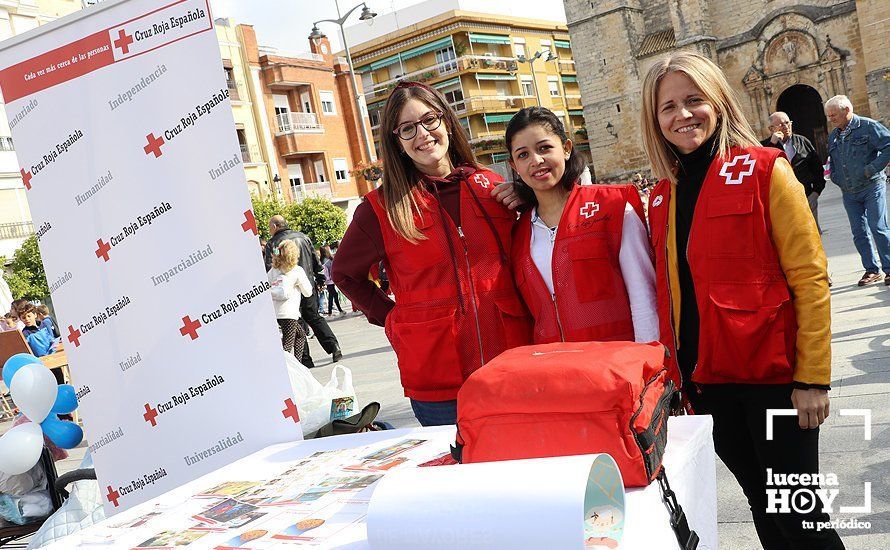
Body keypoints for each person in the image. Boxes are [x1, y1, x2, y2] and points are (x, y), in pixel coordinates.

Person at [640, 52, 843, 549]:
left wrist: (813, 378)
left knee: (800, 518)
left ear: (719, 102)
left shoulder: (766, 171)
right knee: (761, 506)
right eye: (668, 107)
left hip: (775, 382)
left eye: (694, 100)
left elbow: (811, 278)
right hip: (708, 384)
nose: (682, 115)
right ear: (654, 119)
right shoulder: (664, 194)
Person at [332, 81, 533, 426]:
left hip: (511, 363)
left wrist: (527, 197)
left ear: (446, 122)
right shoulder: (381, 208)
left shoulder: (491, 186)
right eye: (407, 129)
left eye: (429, 120)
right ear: (396, 143)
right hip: (439, 384)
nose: (422, 134)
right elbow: (344, 274)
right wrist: (394, 318)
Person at [505, 106, 658, 345]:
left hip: (617, 369)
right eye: (523, 155)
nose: (536, 160)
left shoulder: (613, 207)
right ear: (514, 166)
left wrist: (650, 362)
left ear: (566, 149)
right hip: (558, 373)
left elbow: (644, 294)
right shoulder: (518, 233)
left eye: (544, 148)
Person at [824, 95, 890, 286]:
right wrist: (836, 177)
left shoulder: (868, 127)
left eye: (834, 115)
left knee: (878, 227)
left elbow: (888, 146)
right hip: (849, 192)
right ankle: (871, 270)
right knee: (859, 232)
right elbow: (833, 160)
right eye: (829, 116)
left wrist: (871, 168)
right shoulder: (834, 135)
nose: (831, 119)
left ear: (846, 110)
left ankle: (888, 268)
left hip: (872, 186)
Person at [264, 215, 342, 365]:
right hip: (306, 284)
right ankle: (334, 346)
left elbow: (271, 266)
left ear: (275, 226)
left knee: (296, 321)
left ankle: (305, 359)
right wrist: (320, 279)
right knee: (314, 316)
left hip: (288, 290)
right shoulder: (303, 237)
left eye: (269, 227)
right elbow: (316, 261)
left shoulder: (274, 243)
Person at [761, 112, 825, 229]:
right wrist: (773, 143)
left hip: (807, 197)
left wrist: (816, 192)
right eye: (781, 124)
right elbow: (763, 169)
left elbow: (817, 168)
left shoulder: (803, 142)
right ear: (771, 128)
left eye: (787, 123)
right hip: (781, 203)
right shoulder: (764, 147)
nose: (786, 127)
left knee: (812, 235)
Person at [267, 240, 313, 358]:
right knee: (287, 346)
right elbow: (308, 292)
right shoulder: (296, 270)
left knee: (300, 335)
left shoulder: (274, 270)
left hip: (276, 312)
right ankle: (288, 370)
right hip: (289, 313)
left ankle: (298, 364)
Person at [320, 247, 344, 315]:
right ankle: (339, 310)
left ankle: (331, 312)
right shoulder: (328, 260)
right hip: (331, 280)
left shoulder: (322, 260)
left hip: (327, 281)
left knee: (331, 296)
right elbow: (332, 269)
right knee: (334, 295)